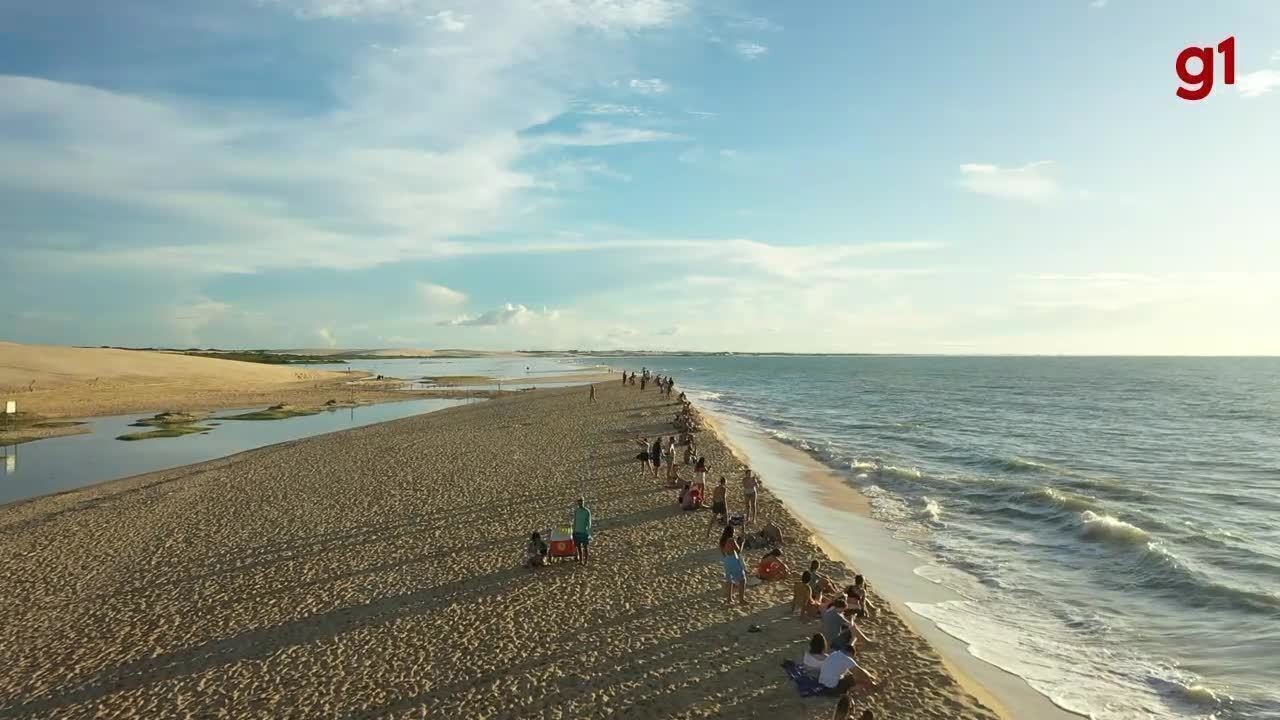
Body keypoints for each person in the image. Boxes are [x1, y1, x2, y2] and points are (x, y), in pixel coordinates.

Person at [719, 527, 747, 605]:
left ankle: (729, 598)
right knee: (742, 580)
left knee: (729, 580)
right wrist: (742, 543)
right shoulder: (731, 540)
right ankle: (741, 599)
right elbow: (739, 551)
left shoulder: (722, 541)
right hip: (733, 560)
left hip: (726, 560)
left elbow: (723, 552)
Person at [572, 497, 592, 565]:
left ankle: (586, 561)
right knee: (579, 547)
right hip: (577, 531)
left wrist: (588, 532)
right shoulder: (576, 511)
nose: (580, 503)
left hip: (584, 532)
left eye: (582, 501)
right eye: (579, 501)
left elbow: (589, 522)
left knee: (585, 547)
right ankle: (580, 560)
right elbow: (574, 521)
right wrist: (573, 530)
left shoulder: (587, 511)